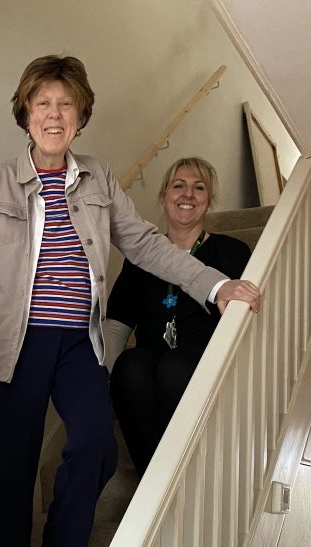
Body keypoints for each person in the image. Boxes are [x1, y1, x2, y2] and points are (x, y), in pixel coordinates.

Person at [0, 55, 260, 547]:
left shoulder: (100, 179)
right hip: (14, 347)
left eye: (66, 105)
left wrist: (214, 285)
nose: (54, 115)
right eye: (43, 104)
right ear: (26, 114)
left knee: (96, 445)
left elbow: (145, 245)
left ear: (81, 116)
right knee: (9, 478)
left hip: (77, 344)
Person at [105, 157, 252, 476]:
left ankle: (187, 474)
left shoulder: (233, 252)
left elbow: (246, 318)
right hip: (151, 362)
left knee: (174, 366)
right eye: (179, 186)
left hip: (204, 361)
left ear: (209, 200)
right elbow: (117, 322)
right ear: (163, 197)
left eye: (199, 188)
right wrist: (101, 380)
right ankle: (153, 480)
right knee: (128, 366)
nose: (188, 195)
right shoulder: (140, 257)